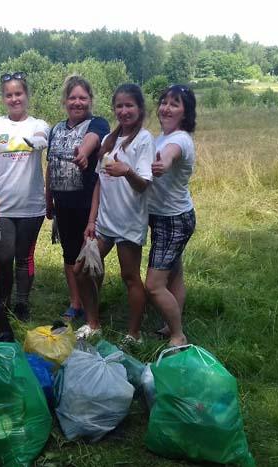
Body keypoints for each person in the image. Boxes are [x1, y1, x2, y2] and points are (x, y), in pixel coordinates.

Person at [74, 83, 154, 345]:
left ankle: (134, 334)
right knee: (82, 269)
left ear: (140, 108)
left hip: (129, 222)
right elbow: (99, 183)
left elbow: (144, 184)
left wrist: (127, 171)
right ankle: (93, 323)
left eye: (129, 105)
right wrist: (91, 220)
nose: (124, 110)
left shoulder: (144, 140)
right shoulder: (109, 139)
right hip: (105, 223)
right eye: (119, 106)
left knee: (129, 277)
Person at [0, 72, 50, 321]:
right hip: (2, 206)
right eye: (9, 95)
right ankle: (2, 302)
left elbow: (43, 137)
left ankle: (22, 304)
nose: (14, 99)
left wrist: (39, 142)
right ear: (3, 98)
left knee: (24, 257)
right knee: (3, 256)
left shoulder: (39, 124)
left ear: (27, 95)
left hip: (31, 206)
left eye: (18, 93)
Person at [46, 76, 110, 321]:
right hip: (63, 203)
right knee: (69, 253)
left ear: (90, 100)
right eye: (72, 97)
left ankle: (92, 300)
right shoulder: (56, 129)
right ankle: (75, 302)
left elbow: (91, 140)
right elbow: (50, 165)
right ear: (65, 101)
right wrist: (47, 197)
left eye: (83, 97)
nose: (77, 102)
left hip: (88, 203)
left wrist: (83, 153)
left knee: (90, 253)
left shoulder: (98, 123)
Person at [145, 85, 198, 347]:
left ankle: (178, 335)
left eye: (174, 104)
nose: (166, 108)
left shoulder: (179, 139)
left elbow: (167, 158)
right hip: (166, 217)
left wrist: (160, 165)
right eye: (164, 102)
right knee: (174, 274)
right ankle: (171, 323)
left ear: (185, 112)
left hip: (174, 220)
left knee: (154, 284)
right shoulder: (161, 137)